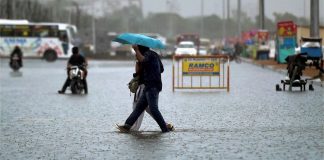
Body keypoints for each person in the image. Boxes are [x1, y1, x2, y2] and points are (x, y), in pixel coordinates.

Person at [117, 45, 170, 133]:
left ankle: (165, 129)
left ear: (140, 49)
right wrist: (149, 67)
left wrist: (136, 51)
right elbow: (161, 69)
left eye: (138, 50)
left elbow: (143, 61)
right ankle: (127, 126)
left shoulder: (148, 55)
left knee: (153, 109)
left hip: (152, 86)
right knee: (139, 108)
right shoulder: (154, 55)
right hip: (149, 86)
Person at [130, 61, 174, 131]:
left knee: (138, 106)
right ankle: (165, 124)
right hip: (151, 86)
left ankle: (133, 128)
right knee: (149, 108)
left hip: (144, 86)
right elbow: (161, 69)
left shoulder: (143, 58)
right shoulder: (153, 59)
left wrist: (137, 67)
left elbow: (138, 72)